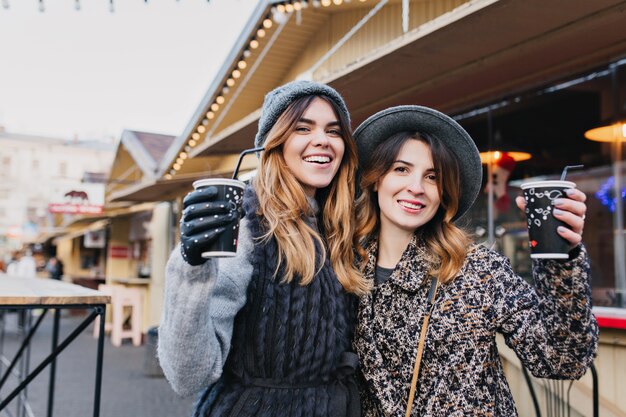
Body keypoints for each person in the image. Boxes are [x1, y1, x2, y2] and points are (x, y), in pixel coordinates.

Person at [351, 105, 599, 416]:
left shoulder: (476, 269)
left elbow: (562, 359)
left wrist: (563, 255)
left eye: (432, 176)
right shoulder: (343, 270)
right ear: (375, 179)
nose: (416, 187)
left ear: (444, 193)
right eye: (401, 169)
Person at [158, 80, 371, 417]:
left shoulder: (344, 229)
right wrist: (191, 266)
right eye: (303, 128)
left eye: (334, 131)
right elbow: (188, 376)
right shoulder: (245, 225)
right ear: (275, 143)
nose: (322, 140)